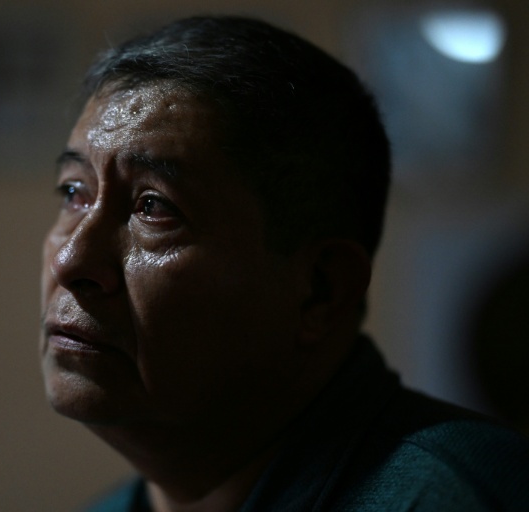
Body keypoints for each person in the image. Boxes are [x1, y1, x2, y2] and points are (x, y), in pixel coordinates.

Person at [39, 15, 529, 512]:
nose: (69, 259)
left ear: (321, 288)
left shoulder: (459, 497)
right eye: (75, 192)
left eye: (154, 207)